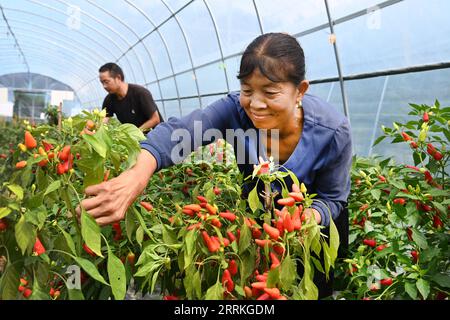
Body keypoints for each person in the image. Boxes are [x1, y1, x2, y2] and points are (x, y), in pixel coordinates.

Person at [80, 33, 352, 298]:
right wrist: (138, 174)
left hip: (316, 229)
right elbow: (180, 132)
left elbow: (332, 197)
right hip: (262, 217)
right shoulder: (235, 110)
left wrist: (307, 218)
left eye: (270, 92)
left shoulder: (332, 131)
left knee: (312, 287)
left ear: (300, 90)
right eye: (247, 90)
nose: (255, 104)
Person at [99, 62, 164, 132]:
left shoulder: (140, 93)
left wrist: (134, 134)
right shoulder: (109, 100)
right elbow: (104, 120)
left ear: (118, 77)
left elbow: (155, 119)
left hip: (156, 135)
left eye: (106, 82)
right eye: (102, 83)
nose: (104, 86)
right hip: (135, 139)